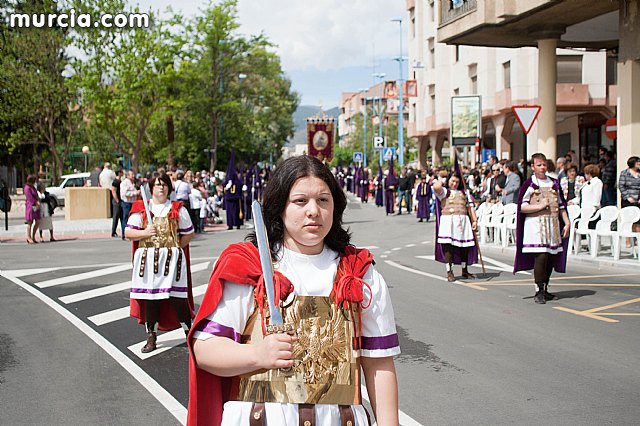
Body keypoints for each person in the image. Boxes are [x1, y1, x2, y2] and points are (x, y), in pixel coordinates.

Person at [187, 155, 400, 426]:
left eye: (323, 200)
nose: (313, 211)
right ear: (280, 207)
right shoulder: (249, 267)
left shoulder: (360, 272)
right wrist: (256, 355)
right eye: (300, 201)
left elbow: (378, 363)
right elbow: (205, 350)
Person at [125, 173, 195, 353]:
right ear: (151, 188)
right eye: (157, 184)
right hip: (148, 261)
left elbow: (189, 233)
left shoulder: (177, 208)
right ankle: (151, 337)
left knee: (178, 298)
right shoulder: (141, 208)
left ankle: (190, 335)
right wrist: (145, 233)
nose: (160, 187)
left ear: (169, 188)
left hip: (172, 262)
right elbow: (128, 233)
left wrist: (175, 246)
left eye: (164, 184)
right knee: (151, 300)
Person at [514, 153, 570, 304]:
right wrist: (539, 206)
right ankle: (538, 289)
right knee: (541, 256)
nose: (542, 167)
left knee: (551, 257)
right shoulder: (530, 184)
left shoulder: (554, 183)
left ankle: (545, 287)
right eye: (539, 165)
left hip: (552, 224)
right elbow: (522, 207)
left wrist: (567, 222)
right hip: (536, 225)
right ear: (533, 167)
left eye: (544, 164)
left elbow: (561, 205)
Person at [432, 173, 479, 282]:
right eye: (453, 181)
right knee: (449, 248)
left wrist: (475, 220)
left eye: (457, 182)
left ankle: (464, 269)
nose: (455, 184)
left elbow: (470, 207)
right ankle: (449, 271)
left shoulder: (465, 192)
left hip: (463, 221)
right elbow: (436, 187)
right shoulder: (444, 192)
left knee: (464, 247)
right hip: (448, 221)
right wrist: (442, 179)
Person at [618, 156, 640, 232]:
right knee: (628, 220)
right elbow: (621, 186)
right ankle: (628, 241)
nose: (639, 163)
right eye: (637, 162)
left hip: (638, 199)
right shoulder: (624, 173)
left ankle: (637, 239)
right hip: (628, 199)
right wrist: (627, 197)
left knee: (637, 221)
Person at [120, 170, 139, 240]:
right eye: (132, 174)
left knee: (131, 219)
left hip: (132, 202)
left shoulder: (132, 183)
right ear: (127, 175)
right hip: (126, 203)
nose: (133, 176)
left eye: (133, 174)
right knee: (125, 219)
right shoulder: (125, 183)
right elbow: (125, 193)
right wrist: (135, 193)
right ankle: (124, 234)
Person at [24, 174, 40, 244]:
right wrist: (36, 202)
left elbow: (36, 195)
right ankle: (29, 237)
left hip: (36, 206)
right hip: (30, 206)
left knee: (38, 221)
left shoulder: (33, 187)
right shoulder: (27, 188)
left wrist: (38, 200)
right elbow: (30, 198)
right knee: (30, 222)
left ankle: (33, 236)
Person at [111, 169, 123, 238]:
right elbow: (113, 191)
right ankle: (113, 232)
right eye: (121, 172)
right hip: (117, 201)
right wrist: (117, 200)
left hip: (120, 200)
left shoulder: (120, 181)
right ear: (119, 173)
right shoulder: (115, 181)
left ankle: (123, 230)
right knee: (116, 217)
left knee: (122, 216)